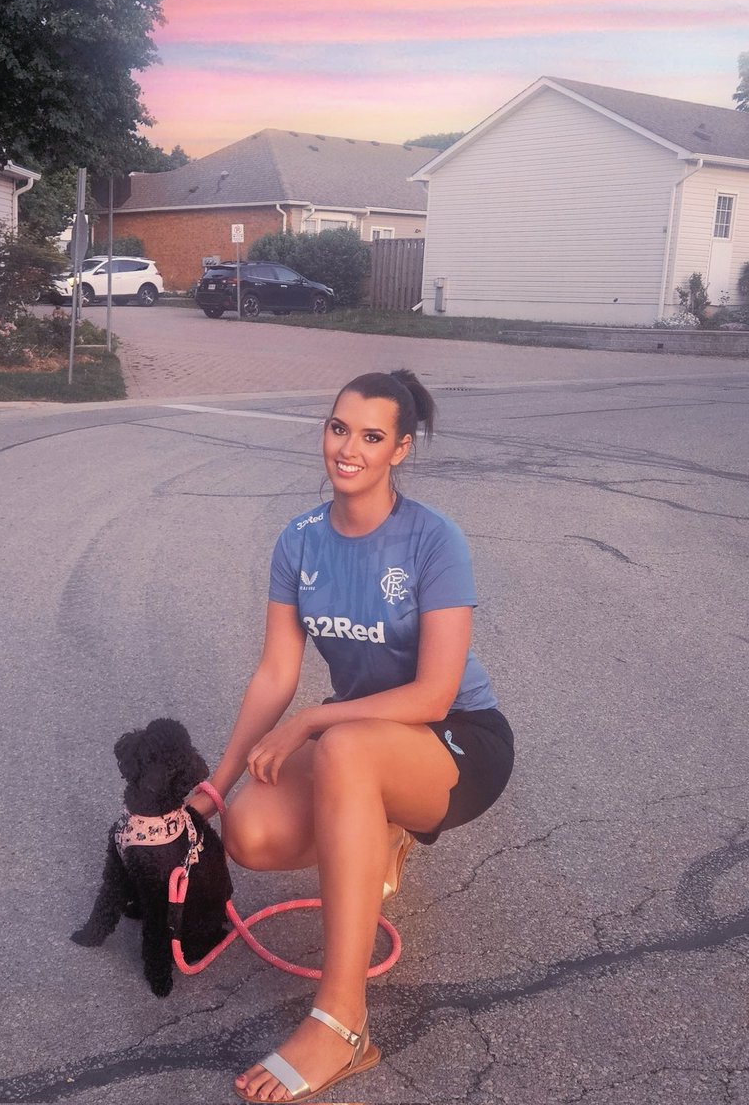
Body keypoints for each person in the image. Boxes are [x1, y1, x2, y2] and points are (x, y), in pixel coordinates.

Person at [188, 368, 514, 1104]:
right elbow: (275, 674)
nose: (349, 448)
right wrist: (215, 788)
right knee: (253, 832)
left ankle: (342, 1023)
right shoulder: (299, 541)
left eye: (372, 436)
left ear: (400, 450)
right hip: (360, 741)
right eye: (339, 428)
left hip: (458, 739)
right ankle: (381, 825)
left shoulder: (434, 540)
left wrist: (314, 718)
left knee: (340, 745)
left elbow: (434, 691)